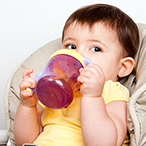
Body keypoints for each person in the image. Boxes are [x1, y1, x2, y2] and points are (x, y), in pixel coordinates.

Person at [14, 3, 139, 146]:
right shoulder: (53, 89)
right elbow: (25, 141)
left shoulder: (112, 91)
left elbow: (104, 143)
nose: (77, 54)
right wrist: (27, 106)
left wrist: (93, 96)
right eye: (71, 46)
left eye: (96, 48)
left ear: (122, 67)